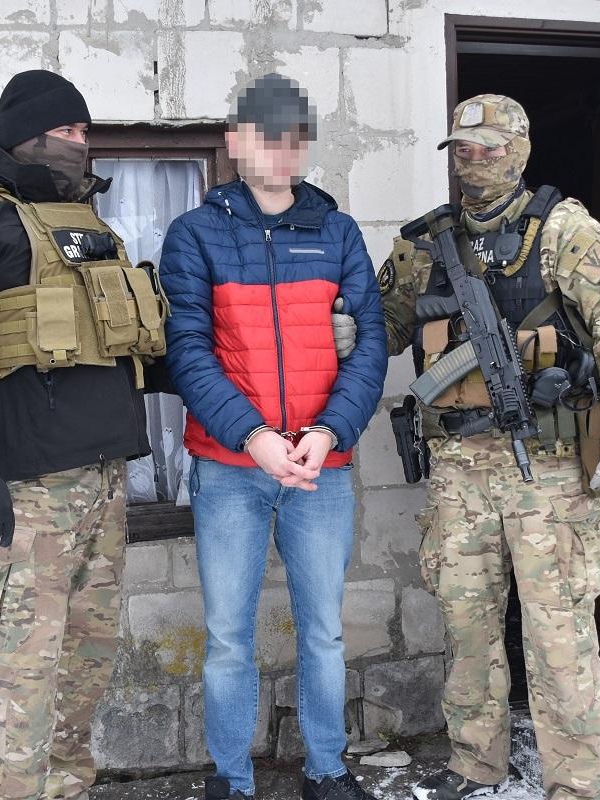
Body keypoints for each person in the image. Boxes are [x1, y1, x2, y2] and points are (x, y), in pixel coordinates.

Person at [0, 70, 170, 800]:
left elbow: (126, 344)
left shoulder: (90, 228)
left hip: (103, 486)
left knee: (80, 684)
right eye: (65, 131)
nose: (80, 143)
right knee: (18, 692)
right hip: (26, 496)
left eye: (85, 131)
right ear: (24, 136)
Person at [381, 94, 600, 800]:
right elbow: (388, 322)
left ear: (520, 151)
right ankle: (475, 762)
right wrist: (347, 331)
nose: (474, 162)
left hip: (550, 472)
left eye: (490, 148)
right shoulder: (424, 244)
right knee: (467, 627)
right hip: (458, 471)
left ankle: (576, 782)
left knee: (558, 634)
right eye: (463, 150)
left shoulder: (564, 229)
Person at [158, 73, 388, 800]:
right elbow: (187, 351)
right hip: (231, 470)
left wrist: (330, 431)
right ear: (236, 142)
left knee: (324, 632)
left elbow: (371, 345)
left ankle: (326, 769)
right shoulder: (196, 234)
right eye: (266, 135)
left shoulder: (337, 232)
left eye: (294, 136)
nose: (281, 150)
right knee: (229, 636)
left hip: (322, 468)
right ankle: (232, 779)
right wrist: (253, 435)